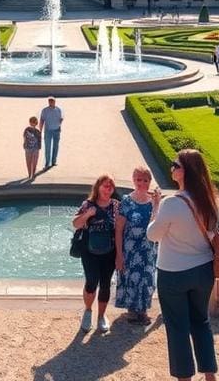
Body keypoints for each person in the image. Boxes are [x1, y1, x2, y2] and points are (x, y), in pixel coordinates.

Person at [147, 150, 219, 381]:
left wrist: (156, 208)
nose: (171, 168)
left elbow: (153, 234)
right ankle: (210, 375)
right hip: (203, 270)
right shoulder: (210, 200)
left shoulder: (172, 203)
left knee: (177, 327)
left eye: (174, 164)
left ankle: (184, 378)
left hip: (173, 273)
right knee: (201, 321)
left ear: (184, 170)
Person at [73, 175, 119, 333]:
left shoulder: (116, 205)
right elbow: (75, 223)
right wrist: (87, 214)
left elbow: (120, 230)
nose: (108, 189)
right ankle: (87, 311)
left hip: (110, 252)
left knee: (106, 284)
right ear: (98, 187)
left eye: (110, 186)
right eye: (105, 186)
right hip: (90, 251)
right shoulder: (88, 204)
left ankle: (101, 316)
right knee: (91, 282)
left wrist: (120, 254)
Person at [115, 166, 159, 325]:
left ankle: (143, 310)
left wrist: (157, 204)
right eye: (138, 180)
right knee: (131, 278)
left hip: (148, 249)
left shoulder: (154, 202)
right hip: (130, 249)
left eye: (145, 180)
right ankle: (132, 310)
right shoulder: (126, 201)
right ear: (134, 181)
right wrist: (119, 255)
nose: (142, 183)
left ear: (150, 182)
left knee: (146, 279)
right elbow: (118, 229)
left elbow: (157, 225)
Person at [38, 96, 63, 170]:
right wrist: (40, 130)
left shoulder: (58, 110)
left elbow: (60, 119)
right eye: (49, 101)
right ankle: (47, 163)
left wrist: (59, 127)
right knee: (47, 147)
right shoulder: (45, 110)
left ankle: (53, 162)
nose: (51, 102)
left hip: (57, 130)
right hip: (48, 131)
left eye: (52, 101)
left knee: (56, 147)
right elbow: (42, 120)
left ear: (55, 101)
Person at [22, 116, 41, 180]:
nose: (33, 124)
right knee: (28, 161)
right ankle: (30, 174)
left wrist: (39, 148)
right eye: (32, 122)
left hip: (35, 148)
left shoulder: (38, 131)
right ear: (30, 123)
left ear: (36, 123)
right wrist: (24, 144)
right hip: (28, 148)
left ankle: (33, 174)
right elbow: (24, 137)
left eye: (34, 122)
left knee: (35, 162)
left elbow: (39, 140)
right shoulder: (27, 129)